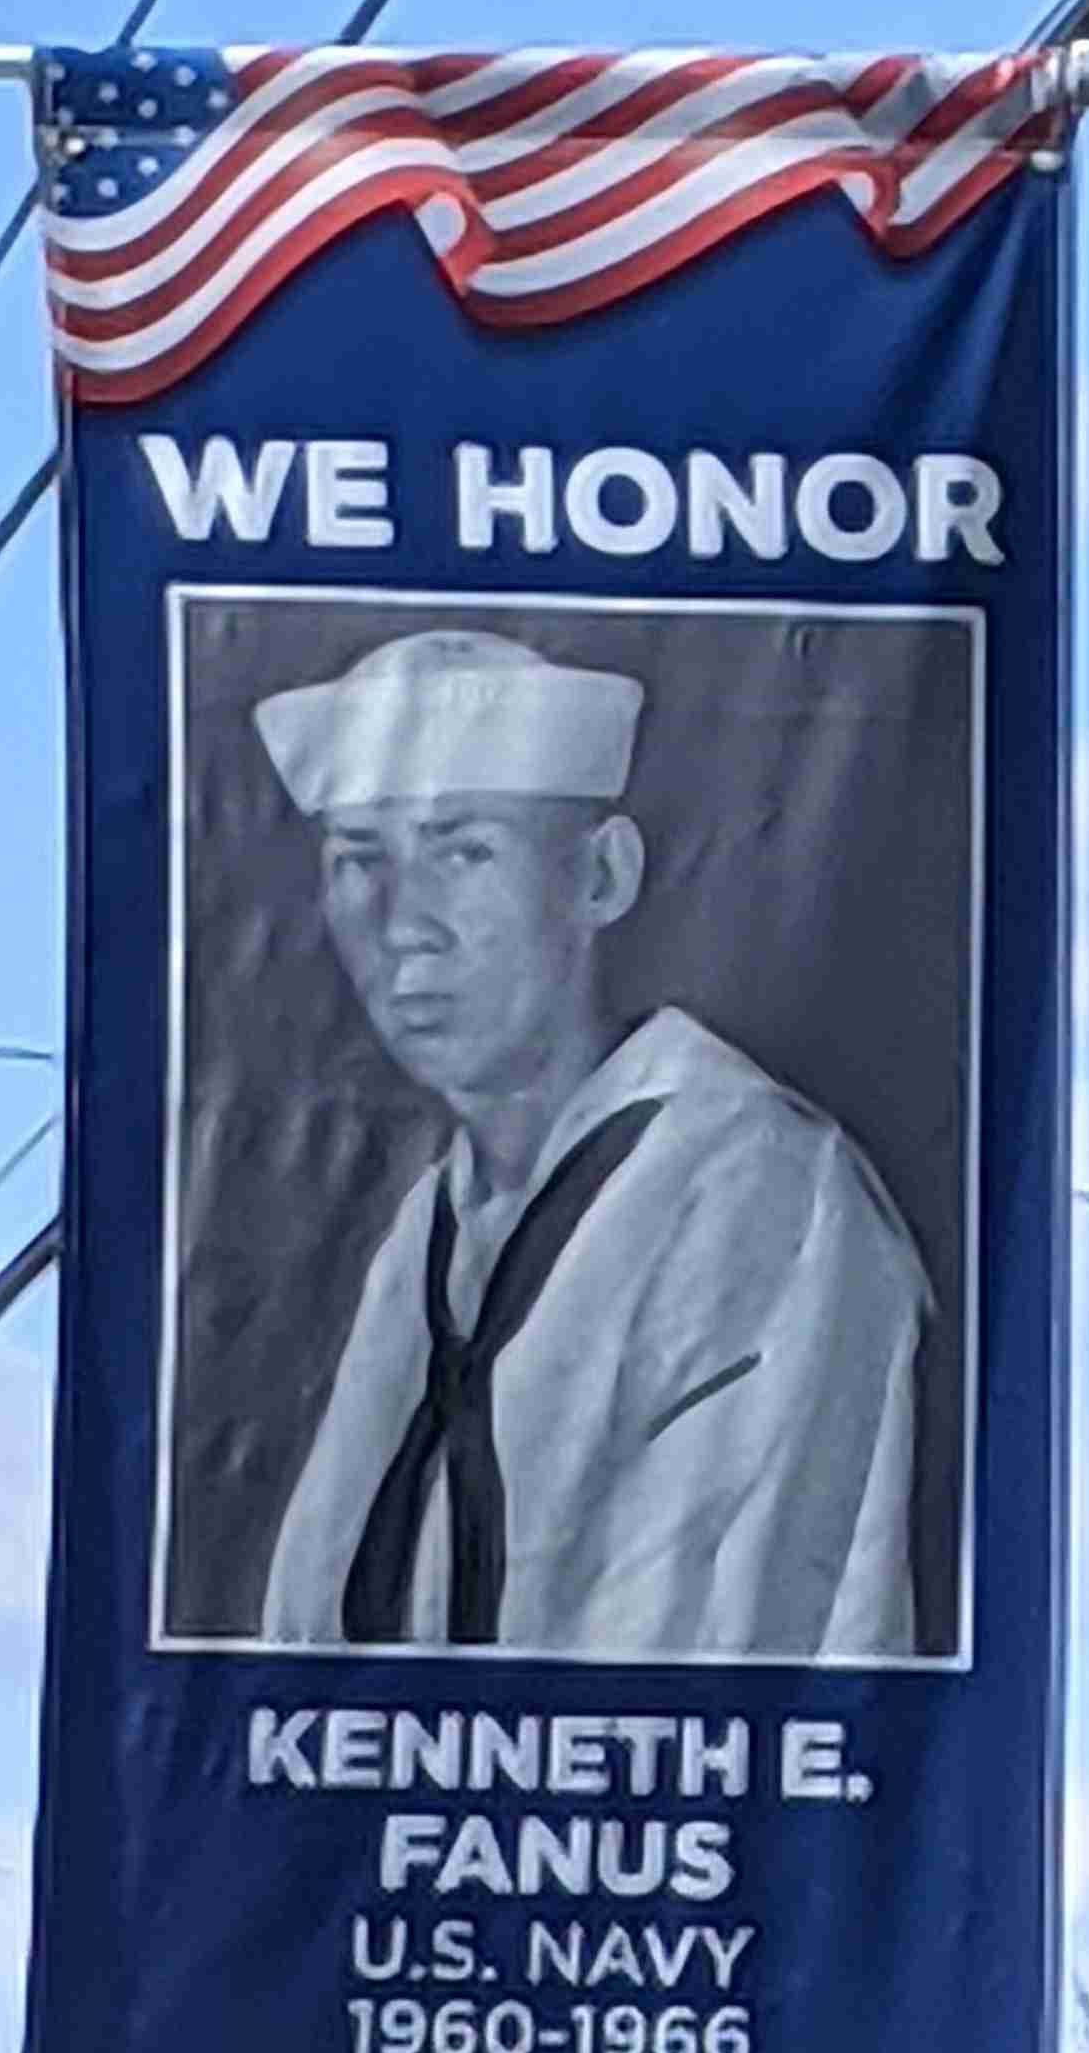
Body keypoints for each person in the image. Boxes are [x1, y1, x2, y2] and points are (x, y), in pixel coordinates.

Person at [250, 625, 928, 1660]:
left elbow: (698, 1653)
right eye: (359, 861)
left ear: (602, 878)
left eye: (465, 851)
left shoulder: (757, 1187)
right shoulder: (426, 1235)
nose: (404, 922)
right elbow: (305, 1625)